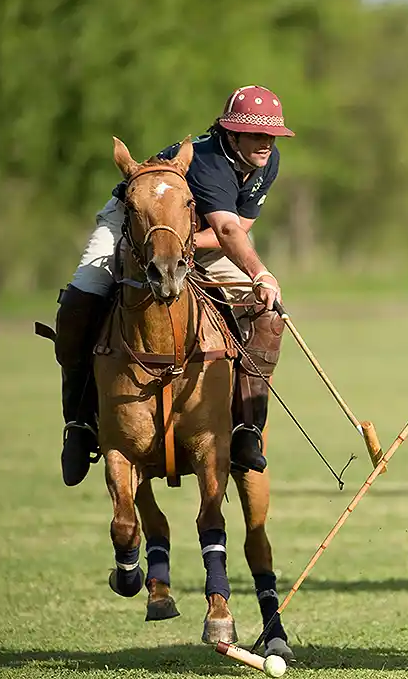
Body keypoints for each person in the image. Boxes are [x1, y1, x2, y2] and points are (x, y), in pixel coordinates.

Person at [52, 85, 293, 487]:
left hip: (191, 236)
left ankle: (246, 429)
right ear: (230, 134)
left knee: (268, 314)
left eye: (271, 134)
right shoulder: (210, 162)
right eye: (255, 134)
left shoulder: (268, 161)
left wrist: (177, 245)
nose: (266, 142)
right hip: (134, 222)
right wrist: (260, 271)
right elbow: (229, 227)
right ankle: (78, 423)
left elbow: (239, 226)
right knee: (81, 298)